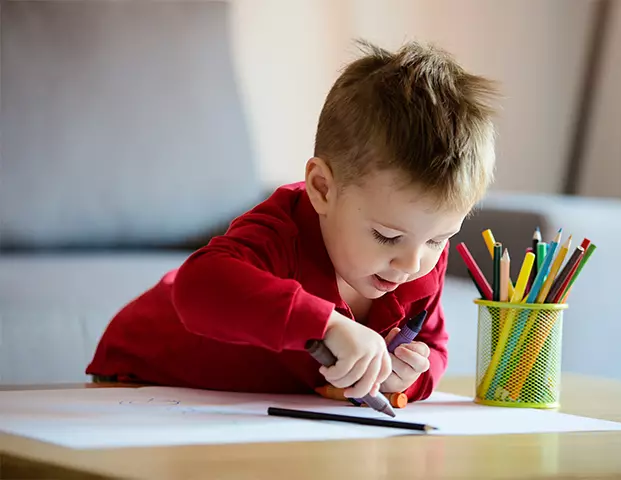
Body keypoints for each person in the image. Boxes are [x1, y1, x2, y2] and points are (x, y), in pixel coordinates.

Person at [86, 39, 499, 402]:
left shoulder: (417, 256)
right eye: (385, 235)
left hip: (258, 413)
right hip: (141, 382)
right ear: (322, 189)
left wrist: (408, 376)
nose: (414, 263)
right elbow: (198, 287)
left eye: (438, 240)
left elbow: (431, 345)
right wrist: (325, 324)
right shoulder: (281, 230)